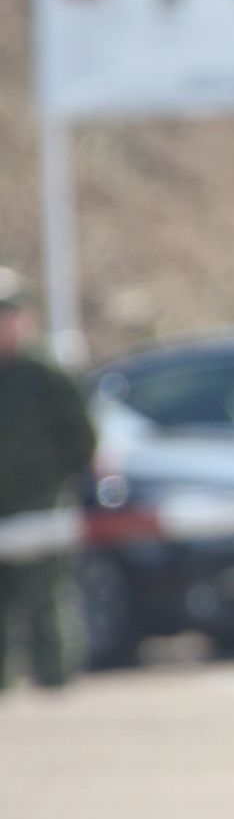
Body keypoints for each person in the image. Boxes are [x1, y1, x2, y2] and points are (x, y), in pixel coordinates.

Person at [0, 269, 98, 691]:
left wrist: (58, 482)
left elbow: (82, 437)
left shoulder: (44, 373)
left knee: (47, 596)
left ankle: (56, 681)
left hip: (40, 499)